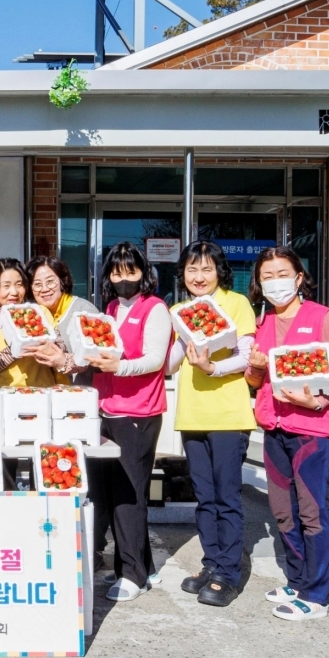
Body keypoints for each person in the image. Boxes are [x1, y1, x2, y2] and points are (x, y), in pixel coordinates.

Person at [243, 247, 329, 621]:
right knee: (282, 512)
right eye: (267, 276)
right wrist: (255, 368)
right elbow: (254, 380)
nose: (275, 282)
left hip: (312, 433)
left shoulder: (323, 318)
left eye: (282, 274)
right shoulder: (263, 322)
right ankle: (298, 579)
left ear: (299, 277)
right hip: (274, 430)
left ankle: (317, 595)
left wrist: (317, 401)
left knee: (311, 512)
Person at [167, 239, 257, 607]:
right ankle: (211, 563)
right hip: (192, 415)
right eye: (192, 269)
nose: (199, 276)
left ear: (220, 271)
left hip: (228, 415)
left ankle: (228, 573)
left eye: (207, 268)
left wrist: (211, 367)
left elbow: (246, 356)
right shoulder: (179, 311)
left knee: (227, 497)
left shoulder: (236, 303)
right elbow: (170, 363)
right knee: (204, 498)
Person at [87, 243, 173, 602]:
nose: (124, 278)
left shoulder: (155, 308)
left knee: (130, 495)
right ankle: (141, 565)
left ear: (144, 273)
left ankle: (132, 574)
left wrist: (118, 367)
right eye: (116, 272)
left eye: (131, 271)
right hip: (107, 409)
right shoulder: (110, 309)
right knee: (110, 494)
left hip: (138, 412)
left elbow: (155, 359)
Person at [0, 258, 71, 387]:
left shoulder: (40, 312)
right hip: (4, 394)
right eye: (6, 286)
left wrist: (42, 345)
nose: (14, 292)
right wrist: (14, 349)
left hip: (42, 392)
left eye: (19, 284)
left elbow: (61, 346)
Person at [25, 256, 99, 385]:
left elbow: (98, 357)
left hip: (82, 392)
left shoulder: (84, 311)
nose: (44, 289)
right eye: (37, 284)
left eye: (50, 281)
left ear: (62, 281)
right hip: (51, 392)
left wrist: (64, 361)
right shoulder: (35, 316)